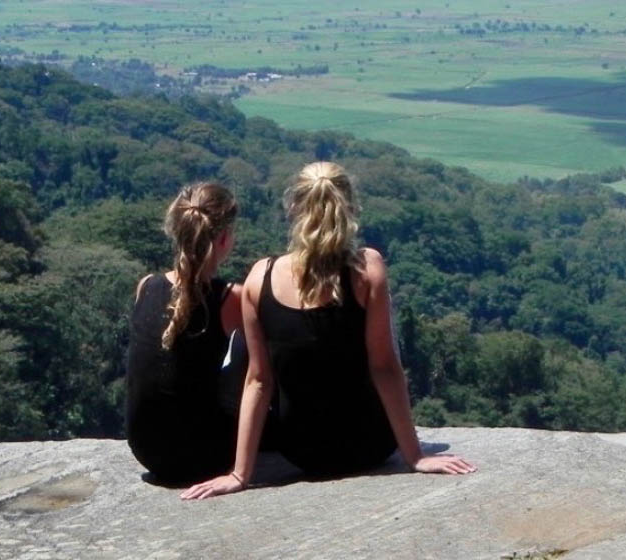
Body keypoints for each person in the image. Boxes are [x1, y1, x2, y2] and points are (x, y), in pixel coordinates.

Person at [181, 161, 475, 499]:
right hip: (367, 445)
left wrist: (240, 473)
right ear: (349, 208)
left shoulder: (259, 278)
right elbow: (384, 367)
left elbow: (259, 380)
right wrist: (416, 456)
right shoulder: (367, 270)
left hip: (301, 451)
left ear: (294, 208)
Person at [126, 182, 243, 485]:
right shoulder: (230, 298)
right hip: (203, 455)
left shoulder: (146, 285)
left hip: (146, 450)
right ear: (224, 239)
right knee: (248, 345)